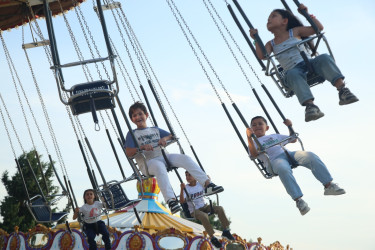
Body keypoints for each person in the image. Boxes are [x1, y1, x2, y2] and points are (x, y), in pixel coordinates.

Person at [250, 4, 358, 122]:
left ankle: (342, 90)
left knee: (324, 58)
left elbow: (317, 29)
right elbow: (262, 56)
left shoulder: (295, 31)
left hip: (308, 64)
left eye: (273, 16)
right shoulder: (271, 44)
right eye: (268, 18)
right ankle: (310, 106)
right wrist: (256, 39)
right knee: (292, 74)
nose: (269, 19)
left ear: (284, 21)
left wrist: (306, 14)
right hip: (293, 70)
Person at [125, 101, 223, 214]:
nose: (138, 117)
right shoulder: (132, 134)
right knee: (159, 167)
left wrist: (164, 139)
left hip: (164, 156)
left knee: (185, 158)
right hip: (148, 163)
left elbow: (171, 135)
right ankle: (171, 200)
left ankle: (207, 184)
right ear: (132, 119)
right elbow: (128, 152)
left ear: (146, 115)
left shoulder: (155, 129)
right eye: (134, 115)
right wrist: (141, 147)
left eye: (140, 114)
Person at [246, 116, 345, 215]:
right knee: (283, 168)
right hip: (274, 161)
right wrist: (249, 137)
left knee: (310, 155)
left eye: (260, 124)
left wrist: (290, 126)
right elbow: (254, 154)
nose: (257, 126)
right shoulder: (253, 143)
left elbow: (293, 139)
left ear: (266, 127)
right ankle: (299, 200)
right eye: (254, 125)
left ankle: (329, 186)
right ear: (251, 130)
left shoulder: (274, 136)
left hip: (288, 154)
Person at [180, 171, 235, 248]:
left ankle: (226, 230)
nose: (187, 177)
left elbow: (208, 185)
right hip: (194, 210)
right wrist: (182, 189)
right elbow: (182, 201)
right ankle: (212, 237)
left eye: (190, 175)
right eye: (186, 175)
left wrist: (207, 179)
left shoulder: (200, 184)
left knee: (219, 208)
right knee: (204, 216)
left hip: (204, 206)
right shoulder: (186, 188)